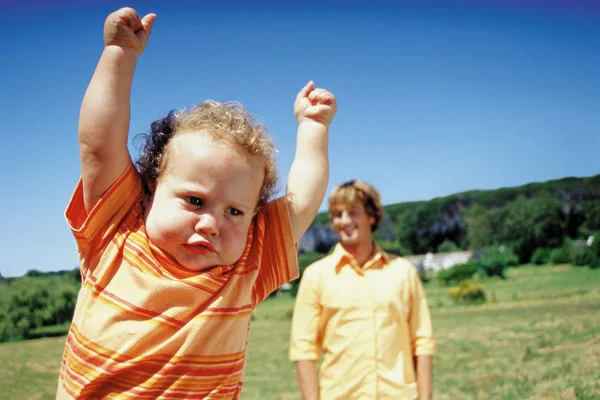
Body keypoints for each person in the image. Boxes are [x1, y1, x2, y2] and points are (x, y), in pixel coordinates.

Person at [57, 7, 336, 399]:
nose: (211, 223)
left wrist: (312, 128)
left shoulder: (245, 265)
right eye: (194, 200)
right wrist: (118, 54)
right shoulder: (116, 231)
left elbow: (301, 200)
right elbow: (98, 146)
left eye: (234, 211)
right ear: (151, 189)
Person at [289, 180, 436, 400]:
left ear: (372, 217)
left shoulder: (403, 272)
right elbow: (303, 349)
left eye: (353, 212)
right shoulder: (316, 276)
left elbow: (422, 342)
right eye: (338, 214)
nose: (344, 221)